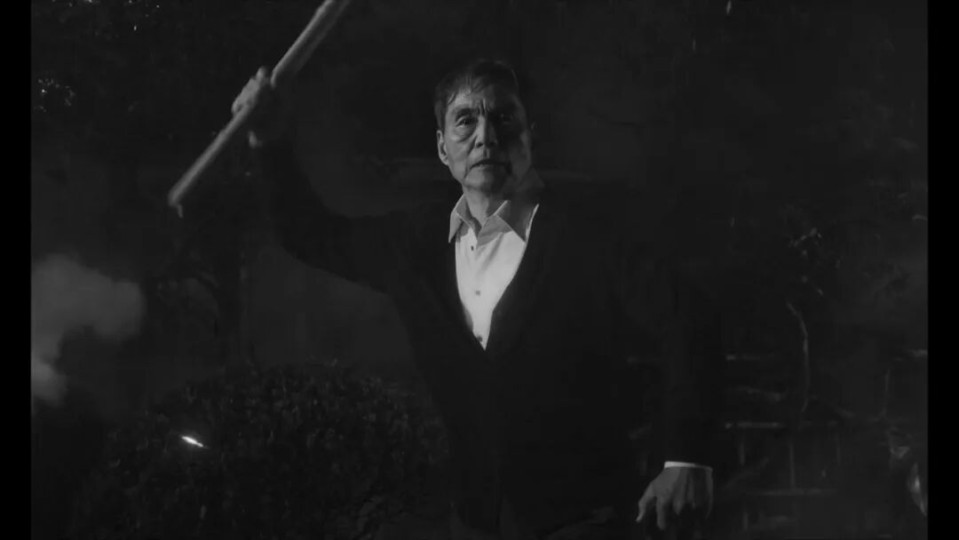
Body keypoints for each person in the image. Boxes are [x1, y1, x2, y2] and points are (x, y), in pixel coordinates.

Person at [232, 58, 723, 539]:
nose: (486, 136)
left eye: (503, 118)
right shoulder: (414, 245)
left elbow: (688, 316)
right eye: (465, 120)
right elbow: (309, 234)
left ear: (530, 136)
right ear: (442, 148)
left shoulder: (586, 237)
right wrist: (269, 139)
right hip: (475, 522)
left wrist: (686, 458)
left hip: (586, 517)